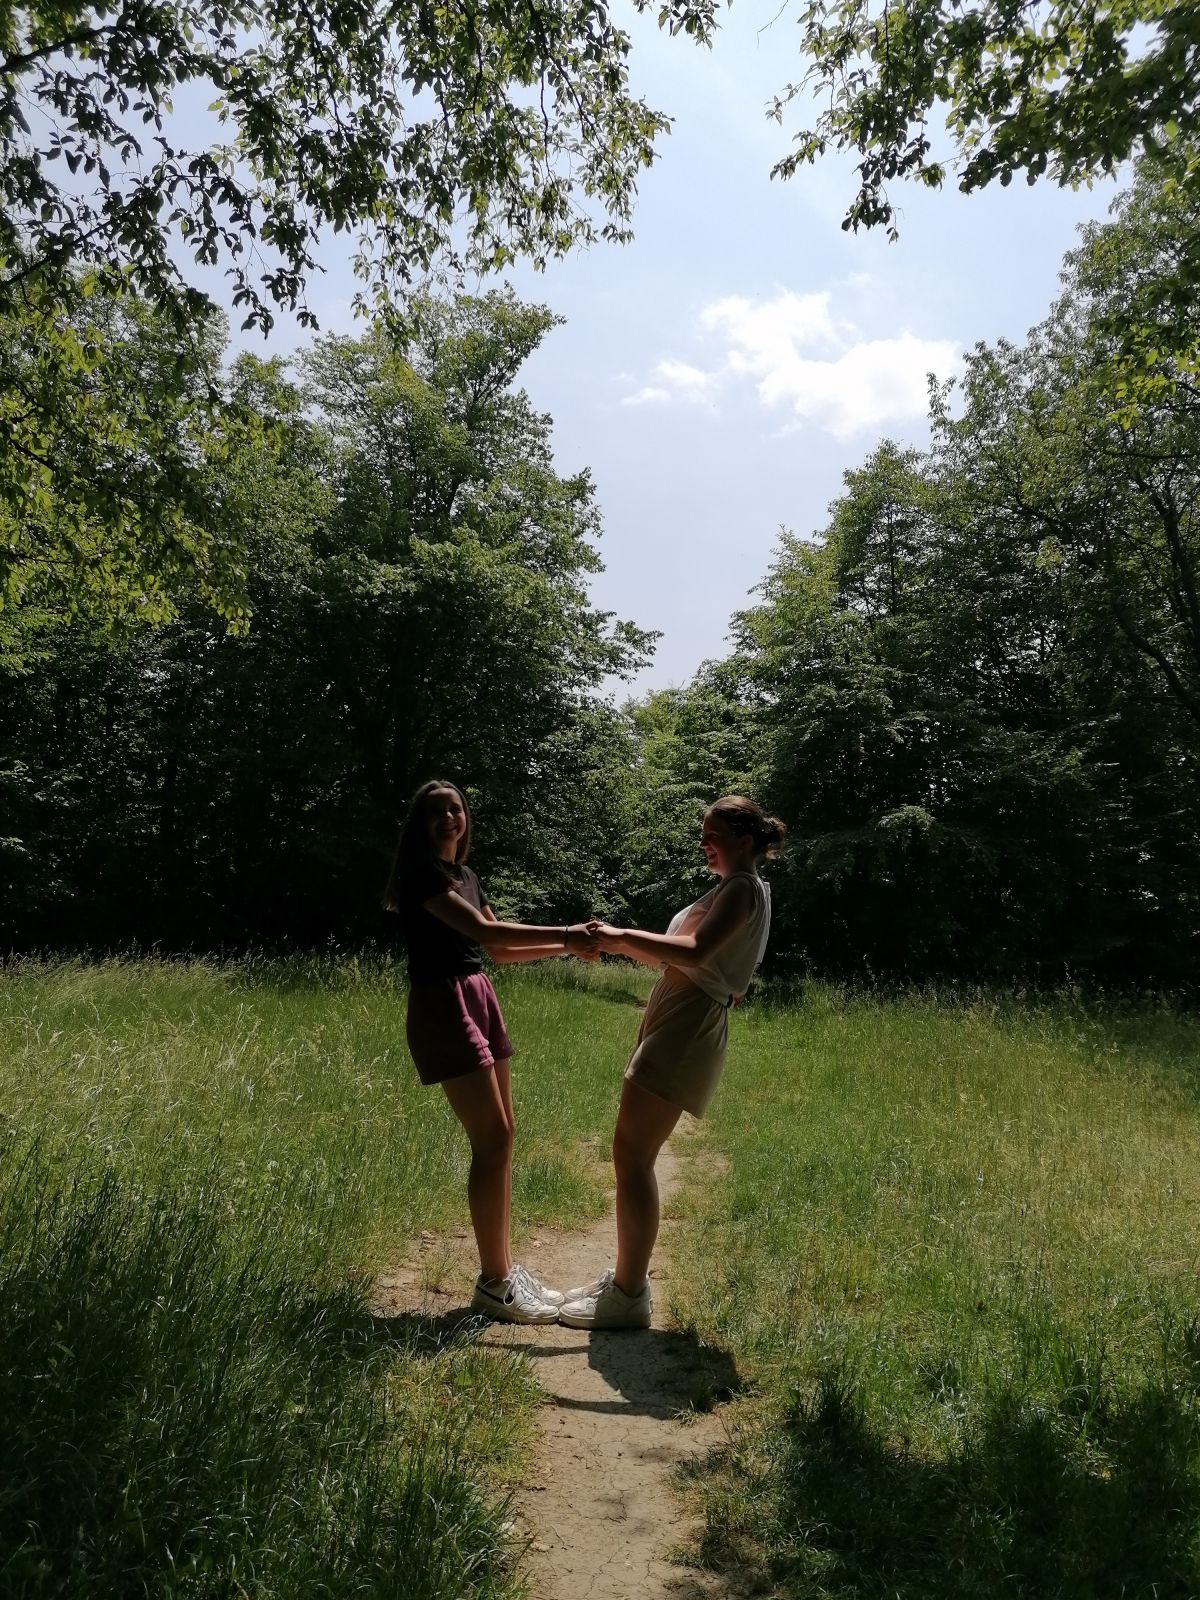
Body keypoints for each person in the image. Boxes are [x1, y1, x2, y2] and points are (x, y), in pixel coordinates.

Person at [557, 795, 785, 1330]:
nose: (703, 843)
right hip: (680, 1014)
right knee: (630, 1152)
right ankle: (625, 1281)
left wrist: (618, 937)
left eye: (713, 836)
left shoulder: (744, 888)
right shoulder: (737, 888)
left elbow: (694, 951)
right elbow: (682, 956)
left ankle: (629, 1294)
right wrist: (618, 945)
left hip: (689, 1022)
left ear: (744, 842)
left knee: (633, 1154)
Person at [385, 779, 597, 1324]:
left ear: (465, 817)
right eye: (436, 812)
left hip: (478, 994)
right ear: (420, 824)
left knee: (503, 1137)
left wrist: (569, 948)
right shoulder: (422, 876)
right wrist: (569, 933)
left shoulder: (467, 876)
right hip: (443, 1002)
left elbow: (498, 947)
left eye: (455, 808)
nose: (448, 818)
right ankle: (496, 1283)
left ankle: (501, 1272)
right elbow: (480, 929)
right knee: (492, 1138)